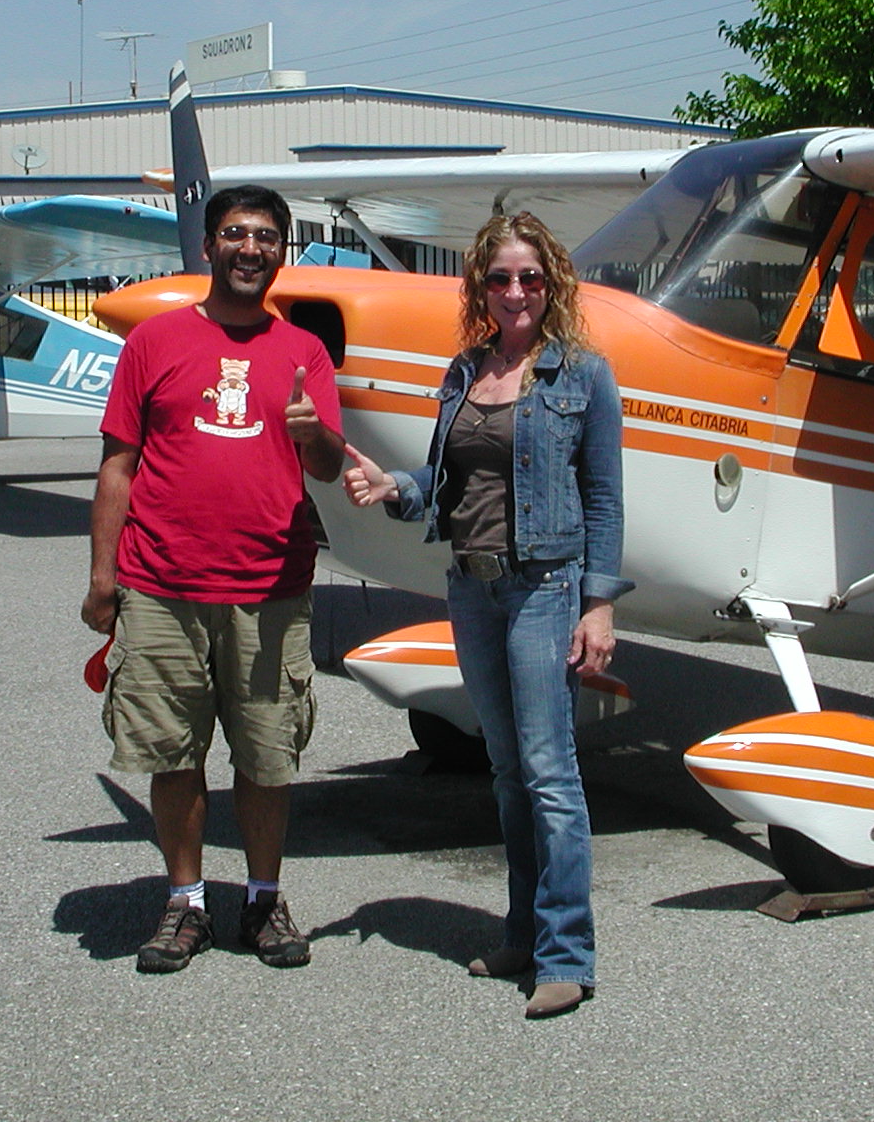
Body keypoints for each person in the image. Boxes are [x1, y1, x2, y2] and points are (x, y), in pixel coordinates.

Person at [342, 212, 629, 1019]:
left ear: (553, 283)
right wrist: (392, 487)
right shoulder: (465, 371)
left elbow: (604, 500)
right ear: (481, 287)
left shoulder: (583, 375)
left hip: (544, 587)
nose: (515, 292)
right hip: (472, 589)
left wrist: (597, 607)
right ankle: (524, 936)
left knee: (550, 774)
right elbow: (446, 484)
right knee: (507, 773)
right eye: (500, 278)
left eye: (530, 278)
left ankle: (567, 954)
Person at [81, 185, 345, 974]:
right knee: (173, 751)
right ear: (209, 246)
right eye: (235, 233)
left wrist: (315, 434)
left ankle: (262, 898)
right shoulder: (155, 344)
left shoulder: (303, 352)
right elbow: (117, 467)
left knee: (267, 757)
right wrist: (104, 578)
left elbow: (328, 466)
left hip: (270, 588)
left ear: (280, 252)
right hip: (161, 585)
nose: (250, 248)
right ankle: (186, 901)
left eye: (267, 236)